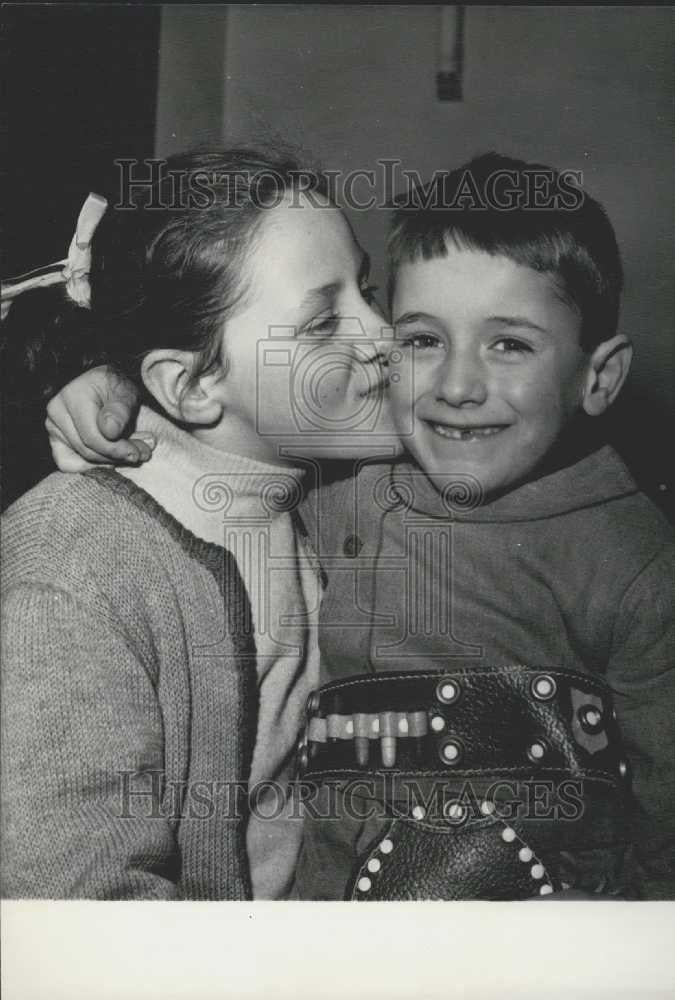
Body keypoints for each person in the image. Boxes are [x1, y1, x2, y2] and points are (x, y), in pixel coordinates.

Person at [43, 154, 675, 900]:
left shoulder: (633, 559)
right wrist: (109, 383)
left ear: (597, 377)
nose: (457, 386)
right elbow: (234, 426)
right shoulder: (353, 482)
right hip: (321, 942)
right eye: (420, 339)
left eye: (509, 344)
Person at [0, 148, 400, 899]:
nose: (382, 333)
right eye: (322, 322)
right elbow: (72, 912)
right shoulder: (73, 563)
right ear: (187, 386)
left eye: (368, 289)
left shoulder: (322, 489)